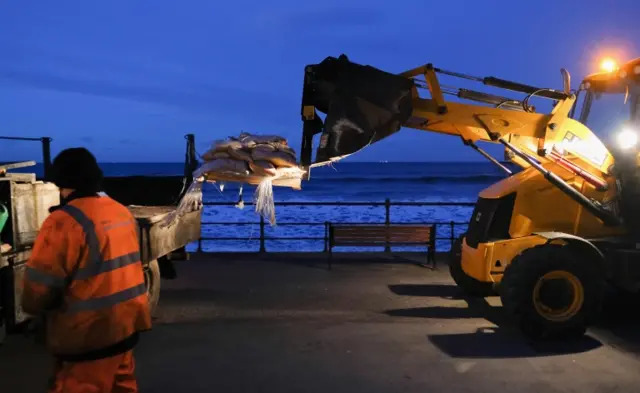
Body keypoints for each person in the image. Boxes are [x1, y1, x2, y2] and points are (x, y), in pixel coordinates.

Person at [21, 147, 151, 393]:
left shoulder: (63, 221)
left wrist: (33, 311)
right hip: (125, 327)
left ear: (64, 183)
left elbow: (39, 287)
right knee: (122, 385)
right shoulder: (119, 210)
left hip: (89, 336)